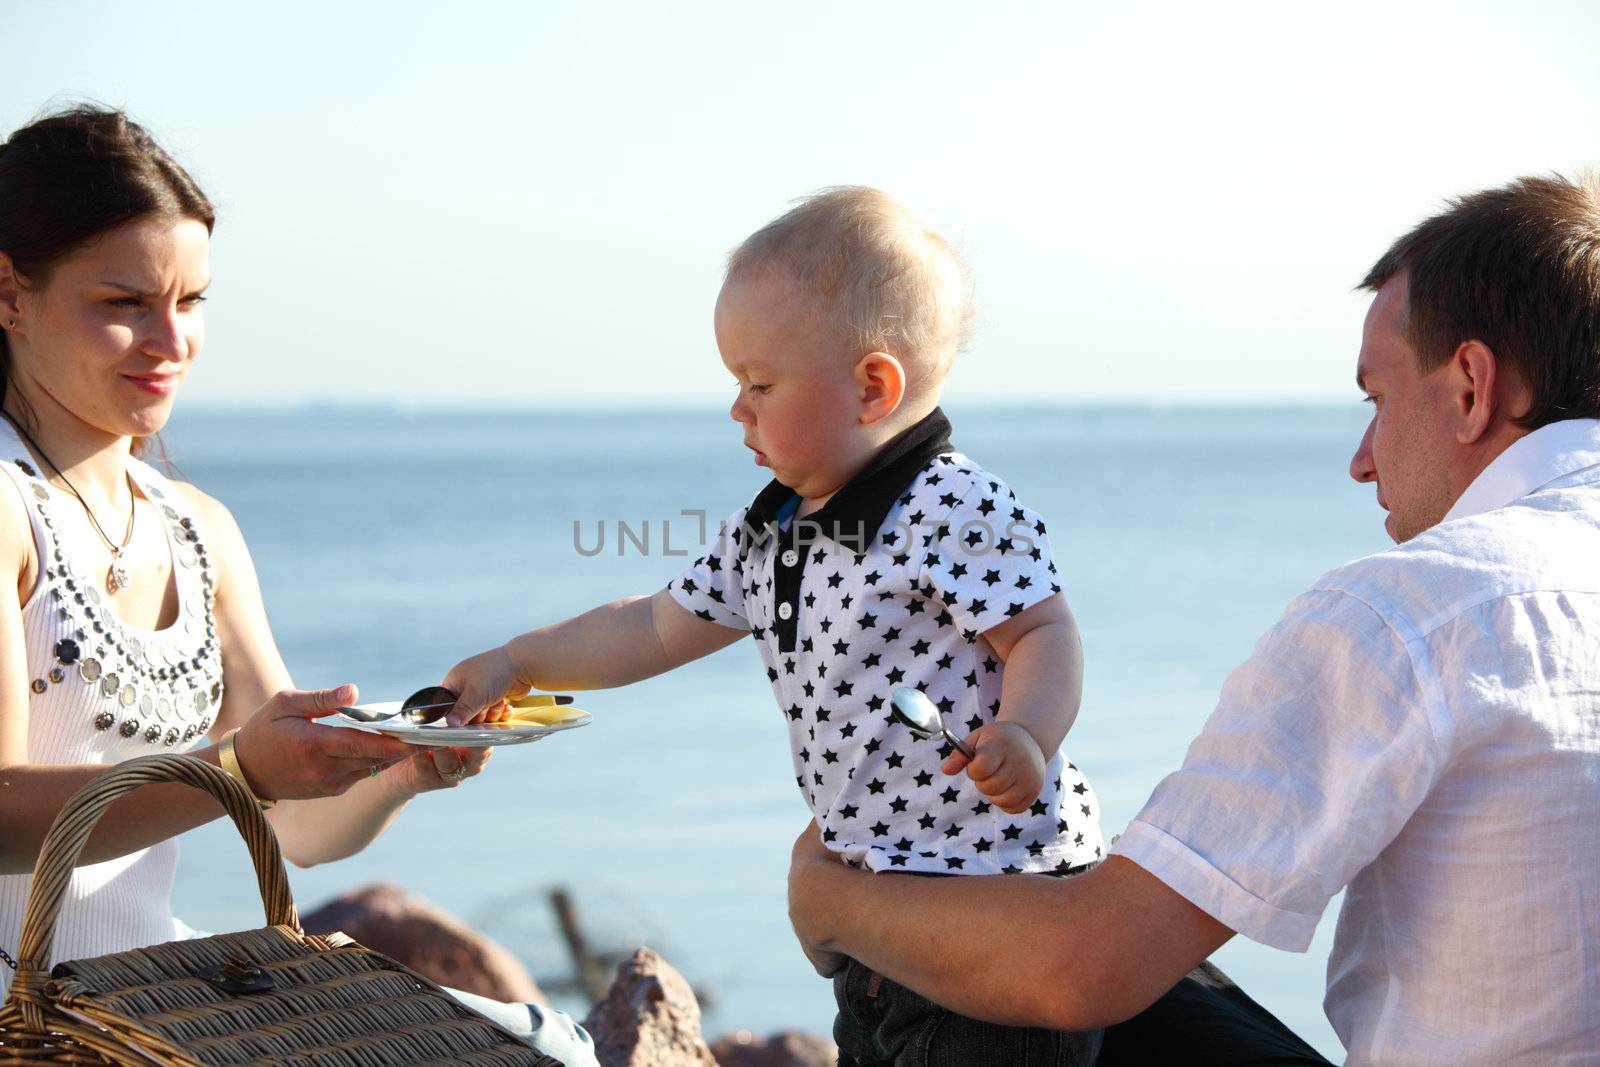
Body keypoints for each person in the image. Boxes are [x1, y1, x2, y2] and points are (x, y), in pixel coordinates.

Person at [785, 171, 1600, 1065]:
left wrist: (834, 905)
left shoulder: (1416, 610)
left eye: (1377, 398)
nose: (1363, 462)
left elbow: (1084, 964)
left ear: (1473, 386)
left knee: (1064, 971)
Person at [442, 187, 1105, 1065]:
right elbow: (654, 625)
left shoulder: (950, 503)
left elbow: (1043, 634)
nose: (738, 409)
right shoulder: (776, 525)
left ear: (873, 387)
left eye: (760, 383)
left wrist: (1026, 729)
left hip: (995, 912)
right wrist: (516, 661)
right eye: (735, 383)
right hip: (876, 934)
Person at [0, 105, 596, 1067]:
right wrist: (236, 768)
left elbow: (300, 829)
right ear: (10, 294)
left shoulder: (198, 527)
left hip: (164, 1000)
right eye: (125, 303)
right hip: (37, 1019)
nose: (171, 340)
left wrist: (401, 767)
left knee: (554, 1047)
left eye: (191, 301)